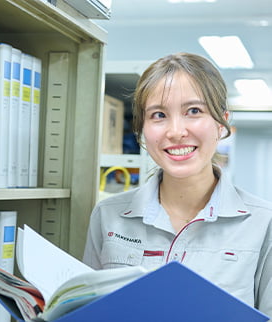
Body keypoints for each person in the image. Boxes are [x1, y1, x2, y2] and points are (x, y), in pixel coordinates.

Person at [83, 52, 272, 317]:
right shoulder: (108, 216)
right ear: (143, 131)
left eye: (193, 111)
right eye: (158, 115)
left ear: (221, 123)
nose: (175, 131)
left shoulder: (263, 223)